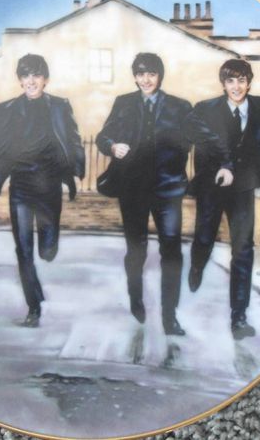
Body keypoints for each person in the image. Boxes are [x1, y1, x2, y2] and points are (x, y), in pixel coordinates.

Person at [185, 58, 260, 339]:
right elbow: (204, 142)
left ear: (249, 83)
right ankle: (197, 265)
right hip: (213, 183)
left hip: (243, 186)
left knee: (243, 249)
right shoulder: (205, 109)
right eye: (230, 81)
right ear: (223, 83)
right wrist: (223, 166)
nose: (236, 86)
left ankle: (238, 318)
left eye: (241, 81)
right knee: (204, 237)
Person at [0, 54, 85, 328]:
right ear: (20, 80)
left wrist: (77, 170)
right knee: (23, 249)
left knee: (47, 250)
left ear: (45, 79)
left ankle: (49, 247)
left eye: (36, 75)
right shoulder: (7, 109)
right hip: (21, 188)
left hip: (49, 186)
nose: (31, 81)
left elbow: (73, 140)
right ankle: (33, 307)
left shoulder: (59, 106)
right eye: (25, 76)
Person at [96, 53, 192, 336]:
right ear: (135, 76)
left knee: (171, 251)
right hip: (133, 189)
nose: (146, 79)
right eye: (140, 74)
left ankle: (169, 317)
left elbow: (193, 140)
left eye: (151, 74)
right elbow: (102, 137)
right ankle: (136, 299)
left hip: (168, 189)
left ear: (160, 76)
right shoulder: (123, 103)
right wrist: (113, 147)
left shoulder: (180, 106)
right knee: (136, 250)